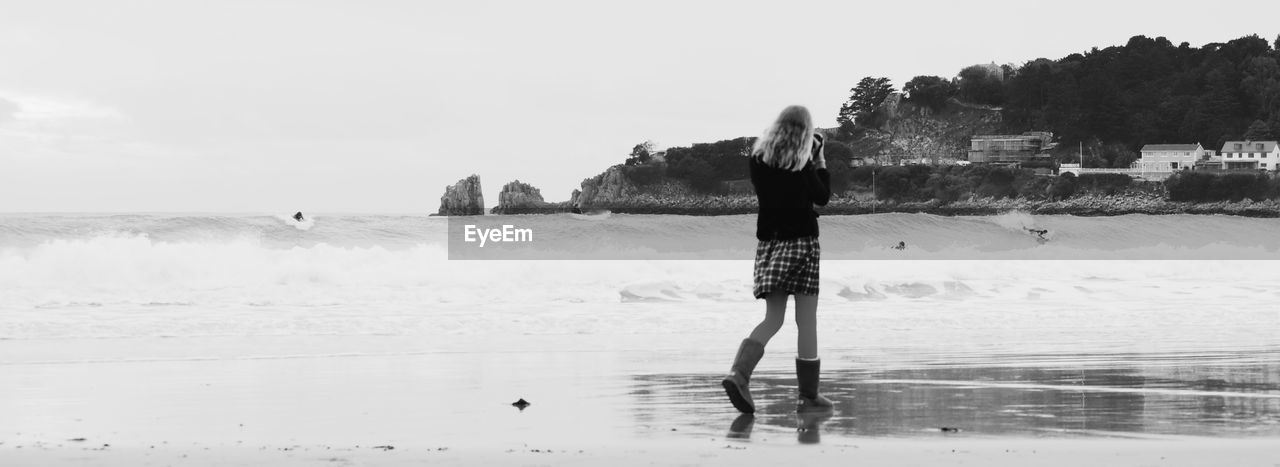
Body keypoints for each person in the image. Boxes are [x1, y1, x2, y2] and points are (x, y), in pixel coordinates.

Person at [722, 105, 833, 415]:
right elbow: (822, 196)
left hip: (770, 245)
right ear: (806, 133)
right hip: (803, 244)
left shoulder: (758, 160)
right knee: (806, 321)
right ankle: (808, 397)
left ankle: (739, 374)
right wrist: (819, 158)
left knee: (773, 318)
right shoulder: (804, 165)